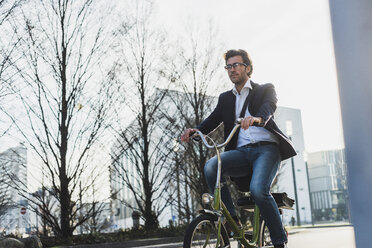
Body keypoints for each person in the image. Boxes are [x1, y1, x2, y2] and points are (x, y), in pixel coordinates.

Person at [181, 49, 296, 248]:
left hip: (267, 150)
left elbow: (268, 107)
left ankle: (279, 241)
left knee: (258, 190)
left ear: (248, 68)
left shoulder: (265, 89)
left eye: (236, 65)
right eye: (228, 66)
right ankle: (231, 221)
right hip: (242, 153)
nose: (231, 69)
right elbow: (213, 120)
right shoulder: (225, 98)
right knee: (211, 167)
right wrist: (195, 131)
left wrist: (258, 118)